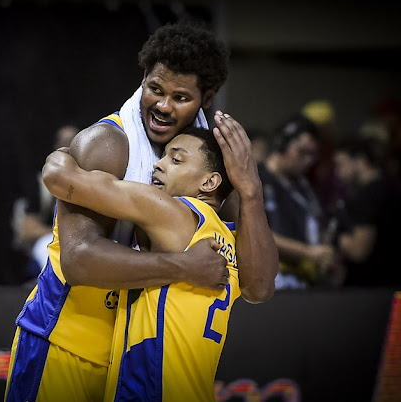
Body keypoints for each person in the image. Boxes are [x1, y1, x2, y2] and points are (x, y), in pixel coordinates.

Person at [4, 21, 278, 401]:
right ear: (144, 78)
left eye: (181, 97)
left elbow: (259, 287)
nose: (164, 106)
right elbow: (79, 261)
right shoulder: (107, 143)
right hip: (65, 341)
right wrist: (182, 267)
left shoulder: (207, 162)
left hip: (129, 359)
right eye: (155, 89)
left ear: (207, 98)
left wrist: (251, 192)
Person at [42, 123, 273, 400]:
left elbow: (60, 178)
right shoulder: (233, 241)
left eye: (176, 159)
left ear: (209, 183)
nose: (158, 165)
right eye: (162, 156)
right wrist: (252, 190)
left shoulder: (174, 212)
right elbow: (261, 287)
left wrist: (60, 154)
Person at [259, 114, 338, 289]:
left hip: (304, 280)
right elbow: (256, 232)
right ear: (281, 145)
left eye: (313, 154)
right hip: (272, 280)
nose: (308, 161)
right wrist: (308, 253)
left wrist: (325, 252)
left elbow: (320, 222)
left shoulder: (304, 186)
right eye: (302, 152)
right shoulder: (256, 179)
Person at [333, 138, 401, 287]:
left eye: (341, 164)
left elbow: (359, 250)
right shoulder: (390, 187)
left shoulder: (369, 195)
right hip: (394, 282)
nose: (338, 172)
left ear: (360, 160)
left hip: (374, 286)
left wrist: (334, 237)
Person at [11, 124, 80, 280]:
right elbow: (27, 229)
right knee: (48, 246)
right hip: (50, 239)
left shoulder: (94, 180)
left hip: (82, 240)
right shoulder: (40, 184)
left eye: (75, 141)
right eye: (66, 141)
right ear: (56, 147)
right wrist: (62, 235)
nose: (70, 146)